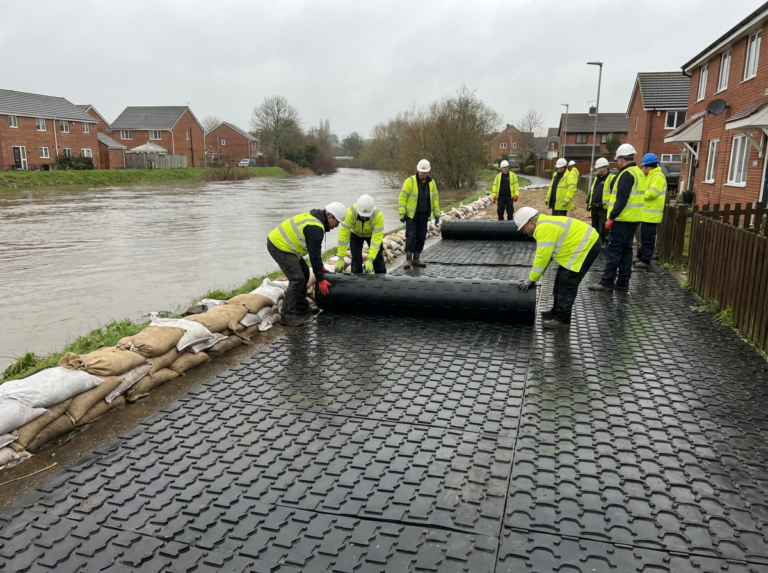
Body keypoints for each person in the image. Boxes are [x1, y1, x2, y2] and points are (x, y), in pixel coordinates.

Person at [515, 206, 601, 329]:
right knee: (560, 278)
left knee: (567, 281)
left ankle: (563, 320)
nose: (523, 232)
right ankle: (556, 311)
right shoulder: (543, 224)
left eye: (523, 228)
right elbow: (547, 257)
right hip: (580, 245)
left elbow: (542, 257)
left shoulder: (543, 228)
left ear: (532, 222)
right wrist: (534, 277)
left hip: (587, 245)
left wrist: (531, 279)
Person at [267, 202, 347, 326]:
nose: (337, 225)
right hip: (279, 246)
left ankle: (301, 307)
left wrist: (320, 267)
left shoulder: (317, 221)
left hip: (288, 247)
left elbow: (315, 253)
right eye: (337, 222)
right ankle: (287, 316)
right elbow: (314, 255)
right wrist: (320, 280)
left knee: (304, 273)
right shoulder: (315, 228)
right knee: (297, 278)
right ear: (330, 217)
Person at [589, 143, 645, 292]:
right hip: (633, 219)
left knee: (613, 251)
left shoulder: (626, 174)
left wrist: (611, 218)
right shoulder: (638, 172)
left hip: (622, 220)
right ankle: (623, 281)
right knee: (626, 252)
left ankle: (606, 282)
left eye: (618, 160)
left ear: (621, 159)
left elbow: (622, 199)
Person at [400, 159, 440, 269]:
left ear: (428, 172)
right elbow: (403, 197)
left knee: (421, 236)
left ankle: (416, 259)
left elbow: (435, 199)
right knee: (411, 236)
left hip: (424, 214)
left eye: (425, 173)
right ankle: (408, 259)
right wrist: (402, 213)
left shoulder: (432, 183)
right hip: (412, 215)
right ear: (418, 171)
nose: (423, 175)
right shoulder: (410, 181)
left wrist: (436, 214)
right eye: (422, 173)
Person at [334, 194, 386, 275]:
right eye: (362, 215)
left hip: (371, 235)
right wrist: (341, 258)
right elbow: (343, 237)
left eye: (366, 216)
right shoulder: (350, 213)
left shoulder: (377, 215)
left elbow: (376, 240)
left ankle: (382, 277)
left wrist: (370, 259)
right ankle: (356, 278)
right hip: (355, 234)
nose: (364, 218)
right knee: (356, 257)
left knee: (378, 257)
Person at [634, 153, 667, 269]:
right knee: (644, 237)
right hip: (646, 214)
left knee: (648, 238)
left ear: (651, 167)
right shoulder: (651, 176)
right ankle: (641, 256)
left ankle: (646, 261)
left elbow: (653, 193)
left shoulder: (657, 177)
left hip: (651, 215)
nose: (643, 169)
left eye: (645, 167)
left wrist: (639, 194)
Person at [587, 157, 615, 246]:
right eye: (598, 168)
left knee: (603, 228)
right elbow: (592, 191)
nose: (598, 170)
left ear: (606, 167)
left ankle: (603, 243)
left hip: (604, 208)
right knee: (595, 227)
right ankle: (596, 243)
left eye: (600, 168)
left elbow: (614, 195)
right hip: (595, 207)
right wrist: (589, 202)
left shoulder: (612, 178)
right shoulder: (597, 178)